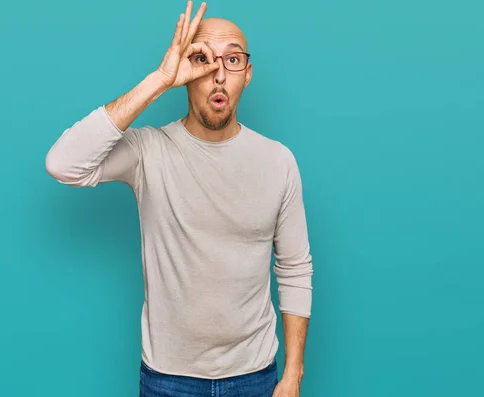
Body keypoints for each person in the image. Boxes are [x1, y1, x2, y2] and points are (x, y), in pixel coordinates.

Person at [45, 2, 314, 396]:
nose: (218, 75)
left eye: (233, 60)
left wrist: (292, 375)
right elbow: (63, 163)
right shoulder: (148, 151)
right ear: (186, 71)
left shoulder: (277, 160)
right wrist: (158, 79)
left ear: (248, 74)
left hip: (255, 376)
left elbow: (294, 268)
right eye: (203, 59)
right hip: (168, 380)